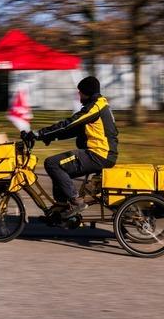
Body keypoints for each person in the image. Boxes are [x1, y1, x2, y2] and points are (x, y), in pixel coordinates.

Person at [25, 76, 118, 218]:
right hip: (101, 154)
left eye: (80, 92)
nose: (79, 95)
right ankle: (61, 210)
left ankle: (75, 201)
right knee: (59, 170)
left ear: (87, 92)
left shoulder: (94, 108)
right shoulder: (100, 104)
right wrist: (48, 136)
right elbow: (75, 130)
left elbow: (69, 123)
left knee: (52, 163)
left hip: (98, 155)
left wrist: (38, 133)